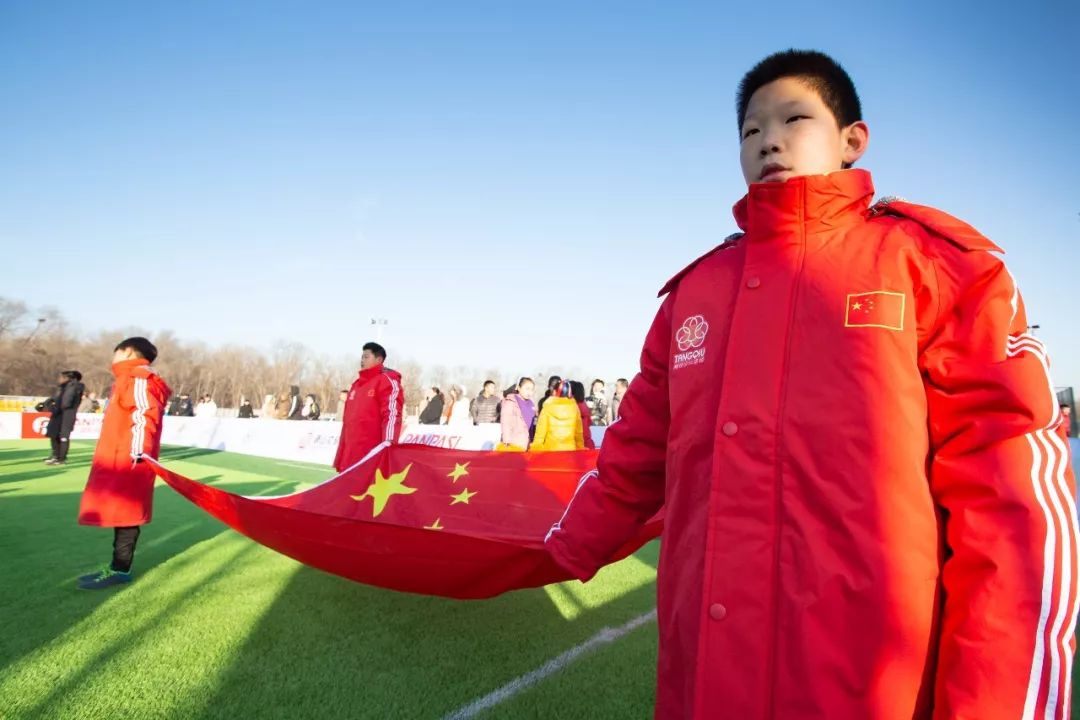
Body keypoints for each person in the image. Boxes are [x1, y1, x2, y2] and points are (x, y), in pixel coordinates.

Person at [543, 50, 1078, 719]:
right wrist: (542, 547)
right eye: (749, 130)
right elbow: (631, 463)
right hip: (705, 681)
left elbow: (1010, 499)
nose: (769, 138)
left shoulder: (936, 267)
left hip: (874, 683)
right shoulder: (694, 295)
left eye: (795, 117)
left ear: (854, 138)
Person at [76, 337, 171, 590]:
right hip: (121, 455)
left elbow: (143, 415)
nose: (113, 357)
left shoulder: (139, 378)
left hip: (130, 457)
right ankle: (118, 566)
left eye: (116, 352)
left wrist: (138, 452)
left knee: (127, 513)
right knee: (121, 512)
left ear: (129, 352)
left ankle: (120, 568)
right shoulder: (128, 379)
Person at [334, 342, 404, 473]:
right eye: (362, 357)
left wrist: (388, 442)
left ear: (379, 360)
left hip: (371, 454)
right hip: (350, 455)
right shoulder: (356, 385)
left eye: (366, 357)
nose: (362, 360)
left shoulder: (386, 380)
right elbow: (348, 423)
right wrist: (341, 454)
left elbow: (392, 413)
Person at [529, 380, 584, 452]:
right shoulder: (574, 408)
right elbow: (578, 432)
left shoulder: (548, 407)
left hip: (551, 450)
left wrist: (536, 446)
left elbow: (541, 430)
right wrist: (580, 447)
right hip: (570, 451)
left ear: (555, 391)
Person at [43, 370, 84, 465]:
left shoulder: (71, 387)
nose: (60, 379)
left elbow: (66, 402)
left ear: (68, 378)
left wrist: (53, 406)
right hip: (61, 414)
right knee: (55, 434)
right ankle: (56, 456)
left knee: (63, 436)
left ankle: (61, 458)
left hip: (65, 414)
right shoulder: (64, 387)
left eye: (62, 377)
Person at [499, 377, 537, 450]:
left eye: (532, 389)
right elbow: (505, 422)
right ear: (519, 388)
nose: (529, 392)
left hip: (528, 442)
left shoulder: (531, 403)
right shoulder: (511, 401)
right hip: (514, 442)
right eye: (527, 389)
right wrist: (506, 441)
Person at [569, 380, 596, 450]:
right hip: (587, 440)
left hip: (576, 443)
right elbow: (589, 422)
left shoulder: (572, 406)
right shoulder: (584, 405)